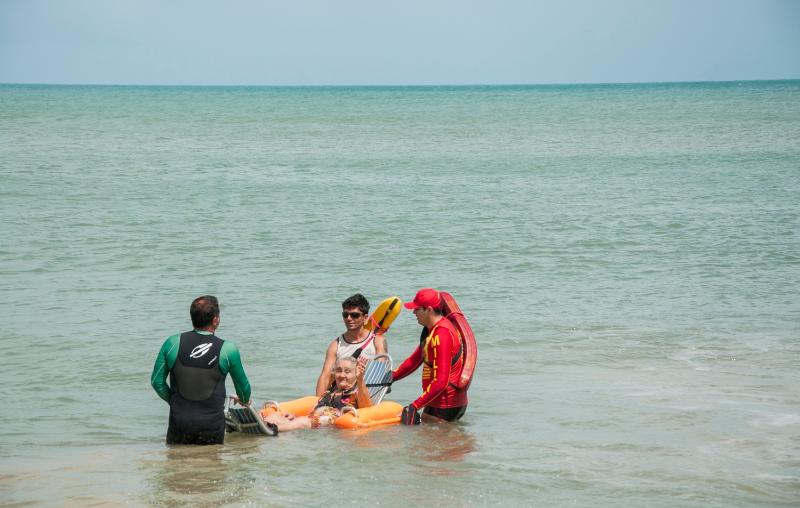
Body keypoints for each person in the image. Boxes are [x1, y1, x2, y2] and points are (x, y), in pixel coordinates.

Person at [151, 295, 252, 445]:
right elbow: (243, 389)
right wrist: (243, 399)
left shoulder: (172, 343)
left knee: (177, 459)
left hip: (179, 424)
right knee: (209, 459)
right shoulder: (228, 349)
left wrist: (175, 402)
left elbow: (156, 381)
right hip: (211, 427)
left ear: (192, 317)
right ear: (215, 320)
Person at [392, 288, 468, 425]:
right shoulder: (432, 330)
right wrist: (392, 376)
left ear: (429, 309)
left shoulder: (442, 335)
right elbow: (415, 360)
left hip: (445, 405)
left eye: (417, 309)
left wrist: (415, 406)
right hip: (437, 401)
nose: (414, 312)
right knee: (428, 436)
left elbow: (441, 381)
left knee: (431, 437)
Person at [263, 356, 372, 432]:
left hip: (325, 423)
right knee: (276, 416)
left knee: (304, 422)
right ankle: (260, 426)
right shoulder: (330, 391)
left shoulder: (356, 392)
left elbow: (366, 407)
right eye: (339, 371)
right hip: (311, 419)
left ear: (355, 374)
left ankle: (271, 430)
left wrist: (360, 378)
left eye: (347, 372)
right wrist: (294, 417)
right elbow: (313, 412)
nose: (342, 375)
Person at [314, 293, 387, 397]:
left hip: (365, 397)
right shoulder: (336, 345)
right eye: (345, 315)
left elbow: (379, 372)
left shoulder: (377, 341)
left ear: (365, 317)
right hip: (340, 397)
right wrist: (318, 402)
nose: (348, 318)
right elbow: (325, 377)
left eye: (354, 315)